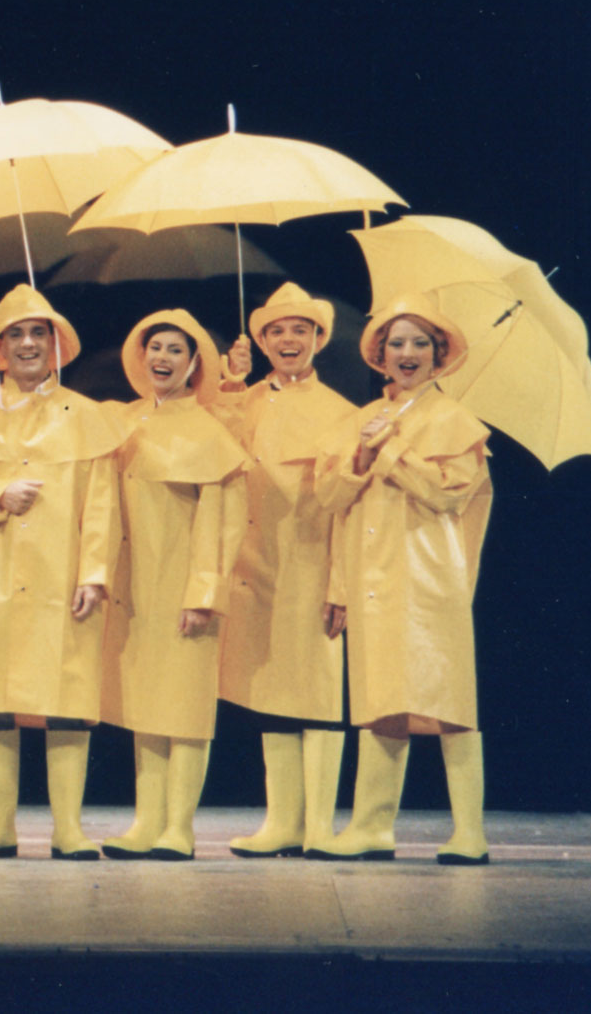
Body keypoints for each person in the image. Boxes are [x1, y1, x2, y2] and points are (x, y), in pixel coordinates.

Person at [0, 283, 131, 860]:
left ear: (56, 343)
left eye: (37, 333)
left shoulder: (88, 417)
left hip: (62, 574)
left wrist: (94, 574)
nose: (26, 344)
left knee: (68, 694)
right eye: (14, 334)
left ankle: (69, 828)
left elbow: (102, 504)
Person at [310, 296, 494, 865]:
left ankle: (469, 832)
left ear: (439, 355)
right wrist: (361, 459)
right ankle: (371, 826)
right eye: (396, 343)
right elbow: (331, 501)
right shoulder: (359, 420)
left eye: (420, 343)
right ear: (380, 355)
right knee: (379, 698)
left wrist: (390, 450)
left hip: (430, 578)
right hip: (371, 579)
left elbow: (447, 494)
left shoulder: (456, 421)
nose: (407, 352)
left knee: (448, 698)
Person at [208, 283, 359, 857]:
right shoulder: (242, 401)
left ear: (319, 338)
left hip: (312, 567)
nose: (288, 339)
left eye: (300, 329)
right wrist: (229, 384)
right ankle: (282, 823)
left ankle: (319, 826)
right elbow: (211, 449)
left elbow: (347, 508)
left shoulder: (342, 413)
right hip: (252, 566)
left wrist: (341, 584)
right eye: (276, 331)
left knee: (317, 695)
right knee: (269, 692)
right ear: (262, 341)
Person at [96, 310, 247, 860]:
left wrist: (205, 593)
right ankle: (147, 821)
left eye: (174, 350)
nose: (162, 358)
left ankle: (179, 827)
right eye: (155, 347)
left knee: (184, 709)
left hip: (184, 585)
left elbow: (223, 523)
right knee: (145, 706)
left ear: (194, 363)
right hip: (135, 586)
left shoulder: (209, 431)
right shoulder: (125, 421)